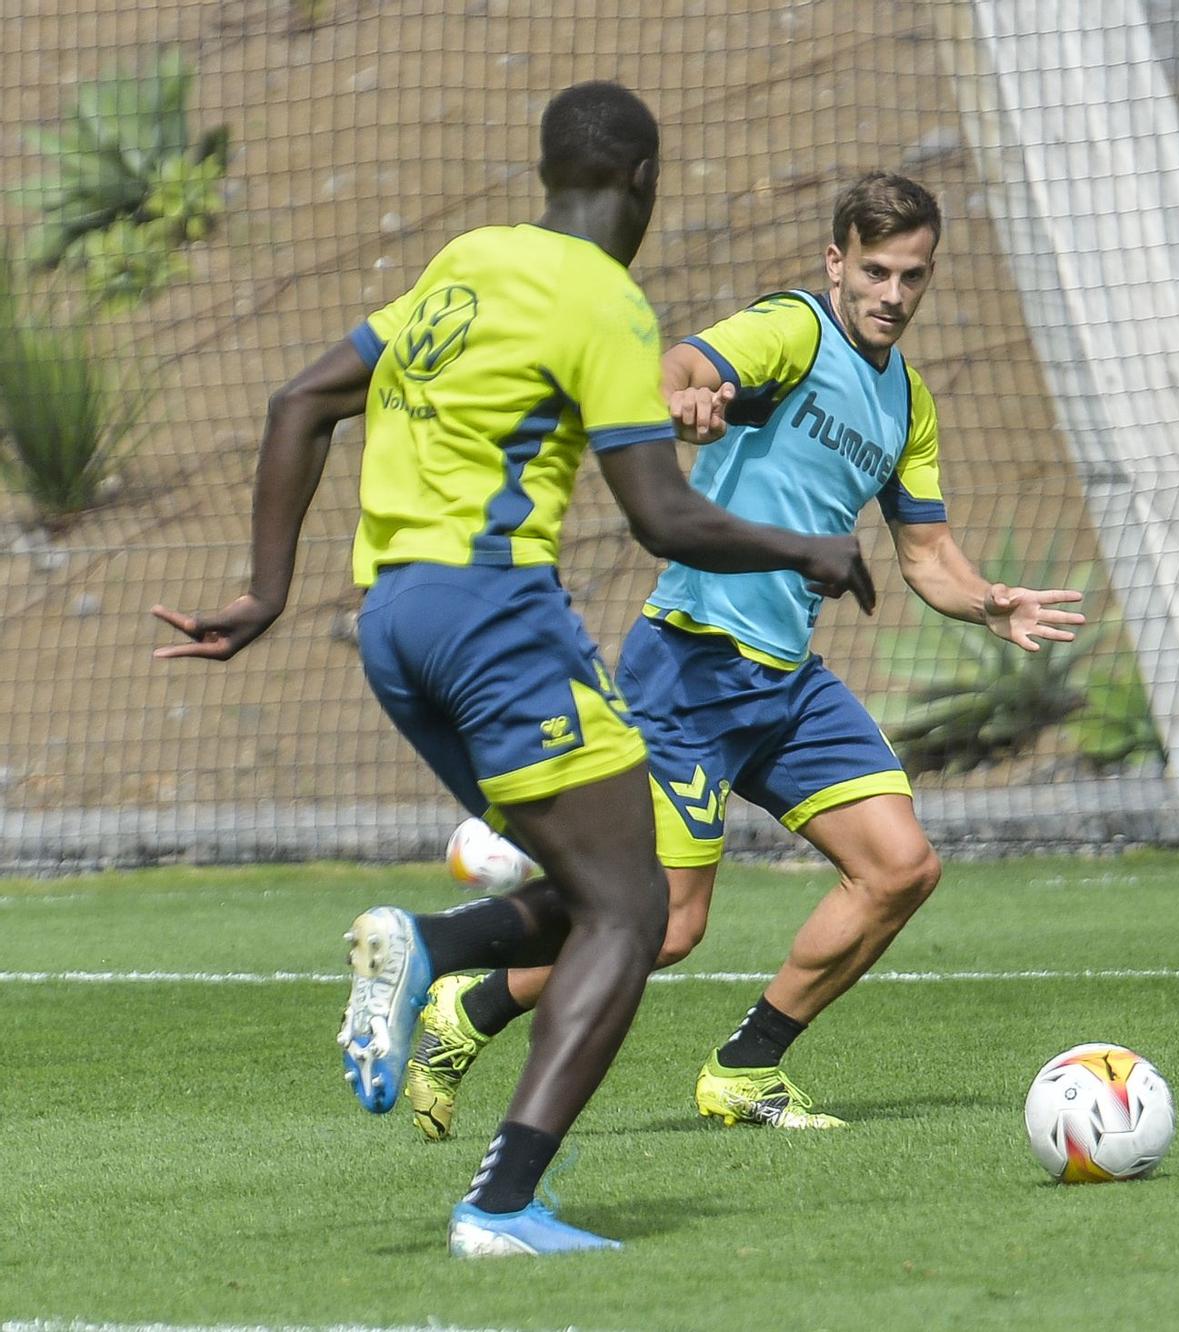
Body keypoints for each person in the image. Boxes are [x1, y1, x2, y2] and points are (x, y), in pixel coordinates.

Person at [153, 82, 875, 1257]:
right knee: (637, 910)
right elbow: (662, 521)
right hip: (493, 614)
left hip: (392, 623)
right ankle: (499, 1205)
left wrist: (266, 593)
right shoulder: (607, 300)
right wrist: (809, 550)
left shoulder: (468, 260)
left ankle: (434, 953)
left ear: (548, 175)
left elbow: (302, 402)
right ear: (644, 181)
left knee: (606, 894)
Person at [397, 171, 1086, 1143]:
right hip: (689, 665)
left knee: (900, 868)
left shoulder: (907, 404)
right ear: (835, 261)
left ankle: (746, 1067)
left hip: (784, 680)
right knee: (666, 927)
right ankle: (469, 1008)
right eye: (876, 269)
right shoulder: (793, 330)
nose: (893, 293)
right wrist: (687, 401)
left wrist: (989, 603)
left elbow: (925, 554)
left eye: (913, 275)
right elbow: (680, 364)